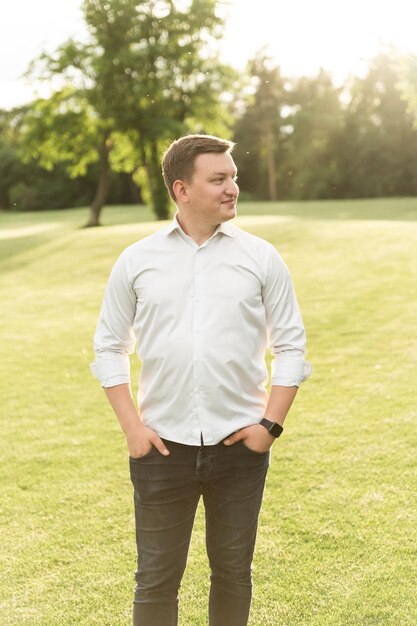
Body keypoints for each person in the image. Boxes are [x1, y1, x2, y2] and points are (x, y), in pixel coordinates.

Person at [90, 134, 311, 626]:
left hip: (240, 449)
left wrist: (269, 427)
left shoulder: (261, 257)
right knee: (155, 580)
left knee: (233, 573)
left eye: (233, 177)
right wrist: (133, 430)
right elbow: (108, 347)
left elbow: (292, 346)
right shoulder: (137, 260)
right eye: (219, 179)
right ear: (181, 189)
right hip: (161, 449)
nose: (233, 187)